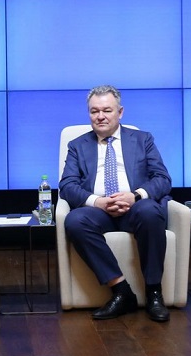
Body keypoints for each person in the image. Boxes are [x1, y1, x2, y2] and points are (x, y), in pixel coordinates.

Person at [59, 85, 173, 322]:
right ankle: (121, 291)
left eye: (107, 110)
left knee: (150, 212)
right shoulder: (77, 145)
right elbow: (67, 185)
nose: (100, 116)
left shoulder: (142, 139)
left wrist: (135, 195)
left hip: (135, 207)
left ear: (120, 112)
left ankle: (154, 293)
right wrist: (97, 201)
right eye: (94, 111)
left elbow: (162, 179)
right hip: (98, 211)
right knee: (75, 221)